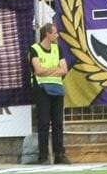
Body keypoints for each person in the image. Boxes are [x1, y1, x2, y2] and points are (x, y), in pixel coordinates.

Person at [29, 22, 67, 164]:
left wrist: (48, 70)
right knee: (43, 123)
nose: (57, 35)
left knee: (58, 123)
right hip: (41, 89)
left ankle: (59, 156)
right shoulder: (34, 49)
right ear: (47, 34)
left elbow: (64, 70)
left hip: (57, 88)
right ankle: (43, 157)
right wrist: (54, 68)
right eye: (55, 33)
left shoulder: (58, 49)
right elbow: (38, 70)